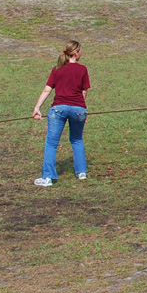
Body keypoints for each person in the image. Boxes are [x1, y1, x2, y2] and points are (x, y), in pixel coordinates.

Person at [31, 41, 90, 185]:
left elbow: (47, 90)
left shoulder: (57, 69)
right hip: (78, 110)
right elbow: (84, 92)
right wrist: (81, 109)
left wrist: (37, 107)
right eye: (81, 50)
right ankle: (81, 172)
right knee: (77, 140)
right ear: (76, 53)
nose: (82, 53)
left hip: (58, 109)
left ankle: (48, 177)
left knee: (51, 143)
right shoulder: (82, 69)